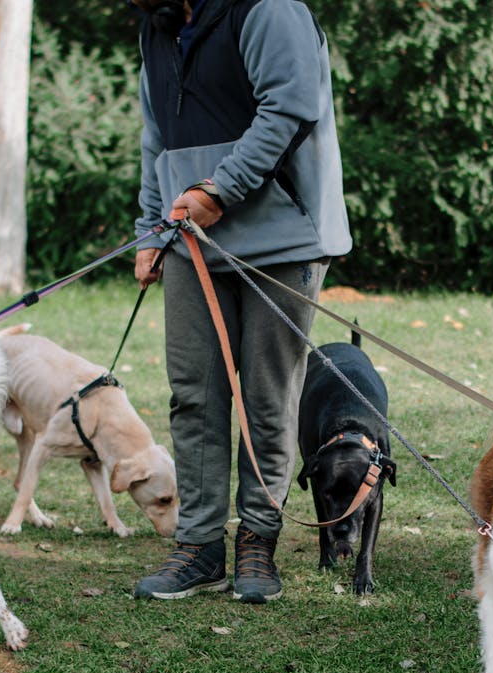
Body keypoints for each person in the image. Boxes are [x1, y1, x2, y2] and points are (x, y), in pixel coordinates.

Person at [129, 0, 352, 603]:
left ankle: (259, 540)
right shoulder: (156, 25)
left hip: (283, 240)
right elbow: (158, 138)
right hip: (191, 243)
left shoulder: (267, 9)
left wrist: (219, 190)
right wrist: (152, 229)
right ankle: (199, 547)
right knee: (193, 396)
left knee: (267, 397)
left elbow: (290, 108)